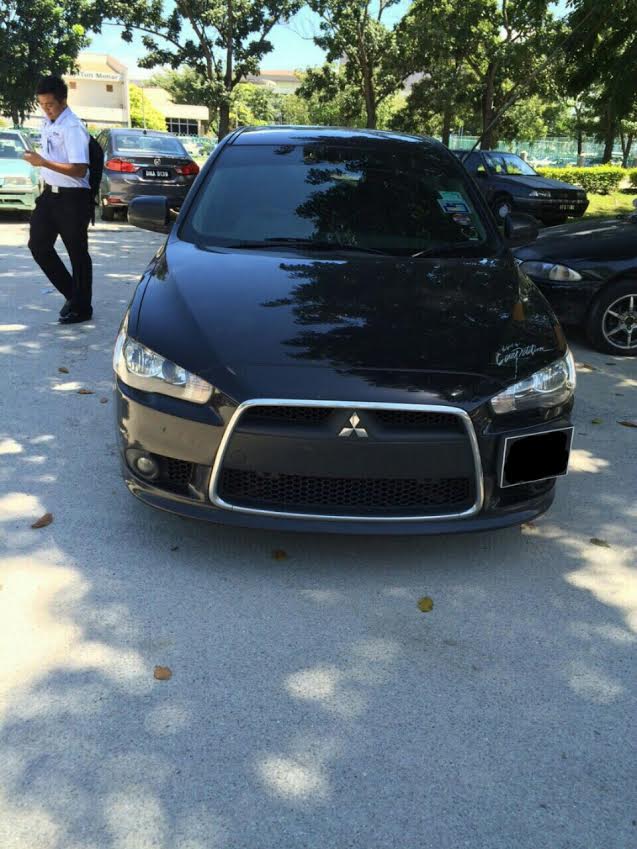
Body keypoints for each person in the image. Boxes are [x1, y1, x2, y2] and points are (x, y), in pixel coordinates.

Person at [24, 75, 93, 324]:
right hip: (49, 195)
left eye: (50, 104)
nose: (46, 109)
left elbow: (80, 169)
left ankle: (82, 308)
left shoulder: (72, 127)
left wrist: (43, 162)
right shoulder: (48, 122)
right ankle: (74, 297)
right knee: (38, 246)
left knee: (77, 253)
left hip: (72, 197)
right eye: (42, 104)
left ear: (63, 101)